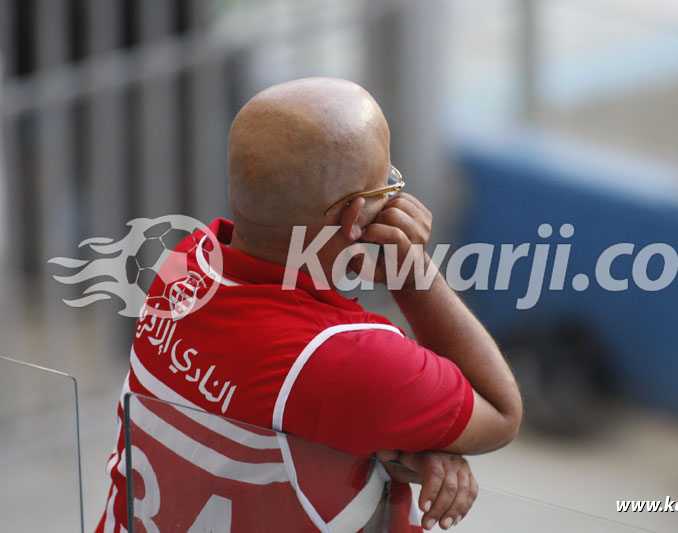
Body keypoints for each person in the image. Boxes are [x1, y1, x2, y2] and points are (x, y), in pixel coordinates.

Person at [96, 77, 522, 533]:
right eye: (387, 185)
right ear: (355, 216)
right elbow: (500, 412)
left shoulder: (183, 267)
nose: (394, 199)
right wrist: (414, 275)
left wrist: (401, 445)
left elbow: (281, 413)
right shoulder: (348, 359)